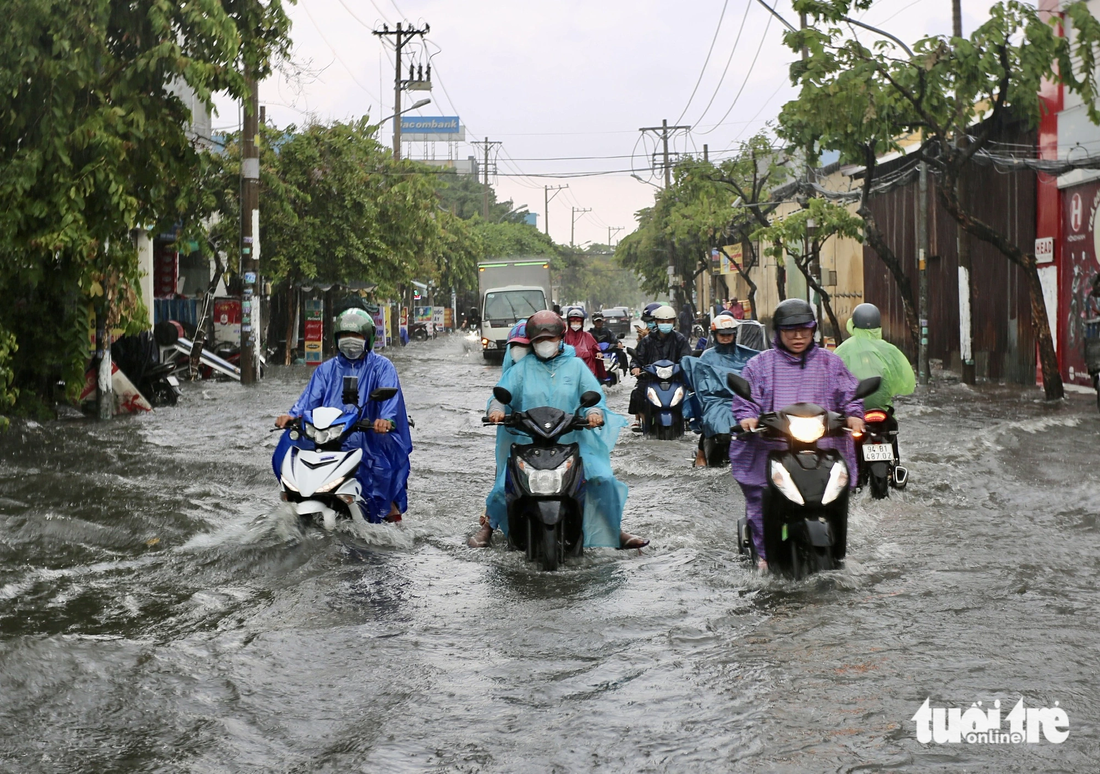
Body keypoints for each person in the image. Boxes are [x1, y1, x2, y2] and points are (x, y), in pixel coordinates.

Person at [468, 310, 647, 550]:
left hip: (572, 441)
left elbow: (594, 397)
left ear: (560, 338)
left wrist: (594, 413)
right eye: (539, 340)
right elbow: (500, 395)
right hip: (528, 442)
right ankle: (488, 527)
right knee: (503, 487)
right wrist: (496, 410)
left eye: (549, 339)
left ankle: (615, 530)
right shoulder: (521, 369)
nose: (545, 344)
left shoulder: (576, 366)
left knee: (602, 479)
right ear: (532, 342)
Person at [731, 299, 865, 572]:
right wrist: (748, 418)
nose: (798, 336)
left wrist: (854, 415)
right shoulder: (760, 365)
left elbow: (849, 395)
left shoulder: (831, 363)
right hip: (773, 447)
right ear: (777, 332)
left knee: (836, 495)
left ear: (813, 330)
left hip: (823, 448)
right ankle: (764, 554)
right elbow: (746, 400)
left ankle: (838, 550)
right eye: (790, 330)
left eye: (804, 329)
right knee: (761, 494)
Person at [275, 308, 413, 522]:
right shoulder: (326, 370)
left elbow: (390, 401)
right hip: (329, 439)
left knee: (384, 484)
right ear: (336, 338)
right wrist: (292, 416)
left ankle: (391, 525)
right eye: (345, 335)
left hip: (369, 440)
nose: (351, 340)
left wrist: (384, 421)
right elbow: (309, 400)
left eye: (357, 336)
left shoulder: (382, 367)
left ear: (368, 339)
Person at [683, 312, 757, 467]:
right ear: (714, 334)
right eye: (722, 334)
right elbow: (701, 383)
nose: (726, 337)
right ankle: (702, 454)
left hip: (742, 398)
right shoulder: (707, 357)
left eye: (729, 334)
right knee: (713, 421)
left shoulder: (746, 354)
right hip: (716, 401)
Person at [833, 303, 915, 411]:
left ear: (853, 324)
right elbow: (904, 378)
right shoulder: (890, 350)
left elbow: (831, 377)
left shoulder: (843, 349)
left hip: (851, 410)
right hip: (881, 409)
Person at [628, 304, 693, 426]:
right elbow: (638, 357)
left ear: (674, 322)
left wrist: (687, 367)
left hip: (675, 379)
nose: (665, 324)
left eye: (668, 321)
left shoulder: (680, 339)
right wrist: (635, 367)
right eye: (662, 321)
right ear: (656, 322)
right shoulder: (647, 341)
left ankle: (687, 420)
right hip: (650, 379)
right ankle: (644, 422)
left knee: (691, 393)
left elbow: (687, 358)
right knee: (637, 394)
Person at [563, 306, 607, 382]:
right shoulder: (563, 337)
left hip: (588, 374)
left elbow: (595, 348)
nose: (575, 324)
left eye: (578, 321)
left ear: (582, 323)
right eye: (573, 321)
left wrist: (598, 353)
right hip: (568, 375)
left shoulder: (588, 336)